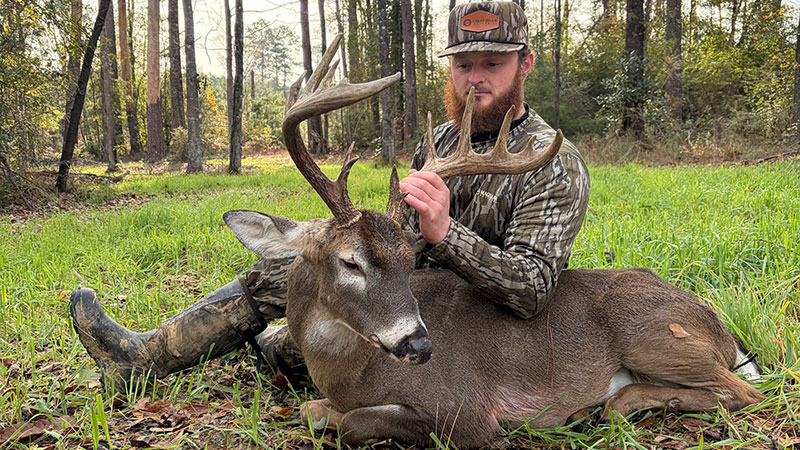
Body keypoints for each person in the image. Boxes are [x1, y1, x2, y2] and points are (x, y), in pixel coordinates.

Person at [69, 1, 590, 387]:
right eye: (462, 65)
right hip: (408, 295)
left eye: (491, 64)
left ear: (524, 64)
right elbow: (398, 241)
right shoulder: (444, 141)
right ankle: (142, 357)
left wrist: (446, 233)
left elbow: (534, 289)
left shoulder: (550, 160)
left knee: (289, 348)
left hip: (473, 327)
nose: (474, 79)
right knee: (300, 267)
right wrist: (345, 234)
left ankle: (281, 351)